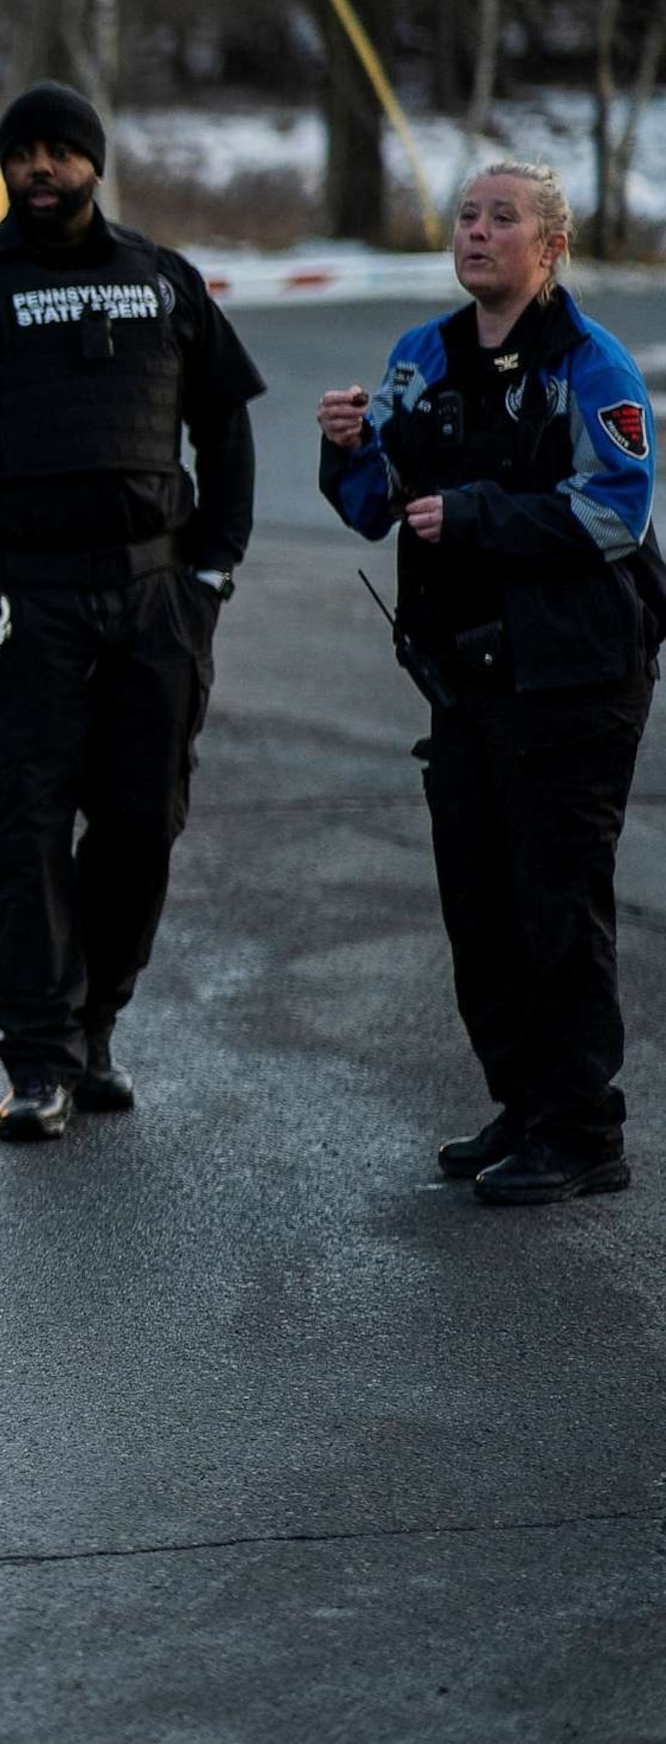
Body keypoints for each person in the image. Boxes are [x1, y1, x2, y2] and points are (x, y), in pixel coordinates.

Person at [0, 81, 263, 1142]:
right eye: (24, 152)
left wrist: (213, 570)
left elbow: (225, 424)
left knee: (143, 821)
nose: (40, 167)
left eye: (60, 151)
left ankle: (97, 1022)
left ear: (95, 162)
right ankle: (36, 1057)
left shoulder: (162, 280)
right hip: (10, 598)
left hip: (152, 594)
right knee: (18, 825)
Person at [318, 162, 664, 1204]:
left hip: (577, 673)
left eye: (501, 218)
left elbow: (620, 512)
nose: (475, 233)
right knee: (480, 901)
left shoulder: (589, 364)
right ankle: (524, 1103)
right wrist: (342, 448)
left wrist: (478, 514)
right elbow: (375, 503)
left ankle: (583, 1129)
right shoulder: (421, 355)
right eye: (466, 215)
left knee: (556, 900)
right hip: (467, 676)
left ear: (548, 247)